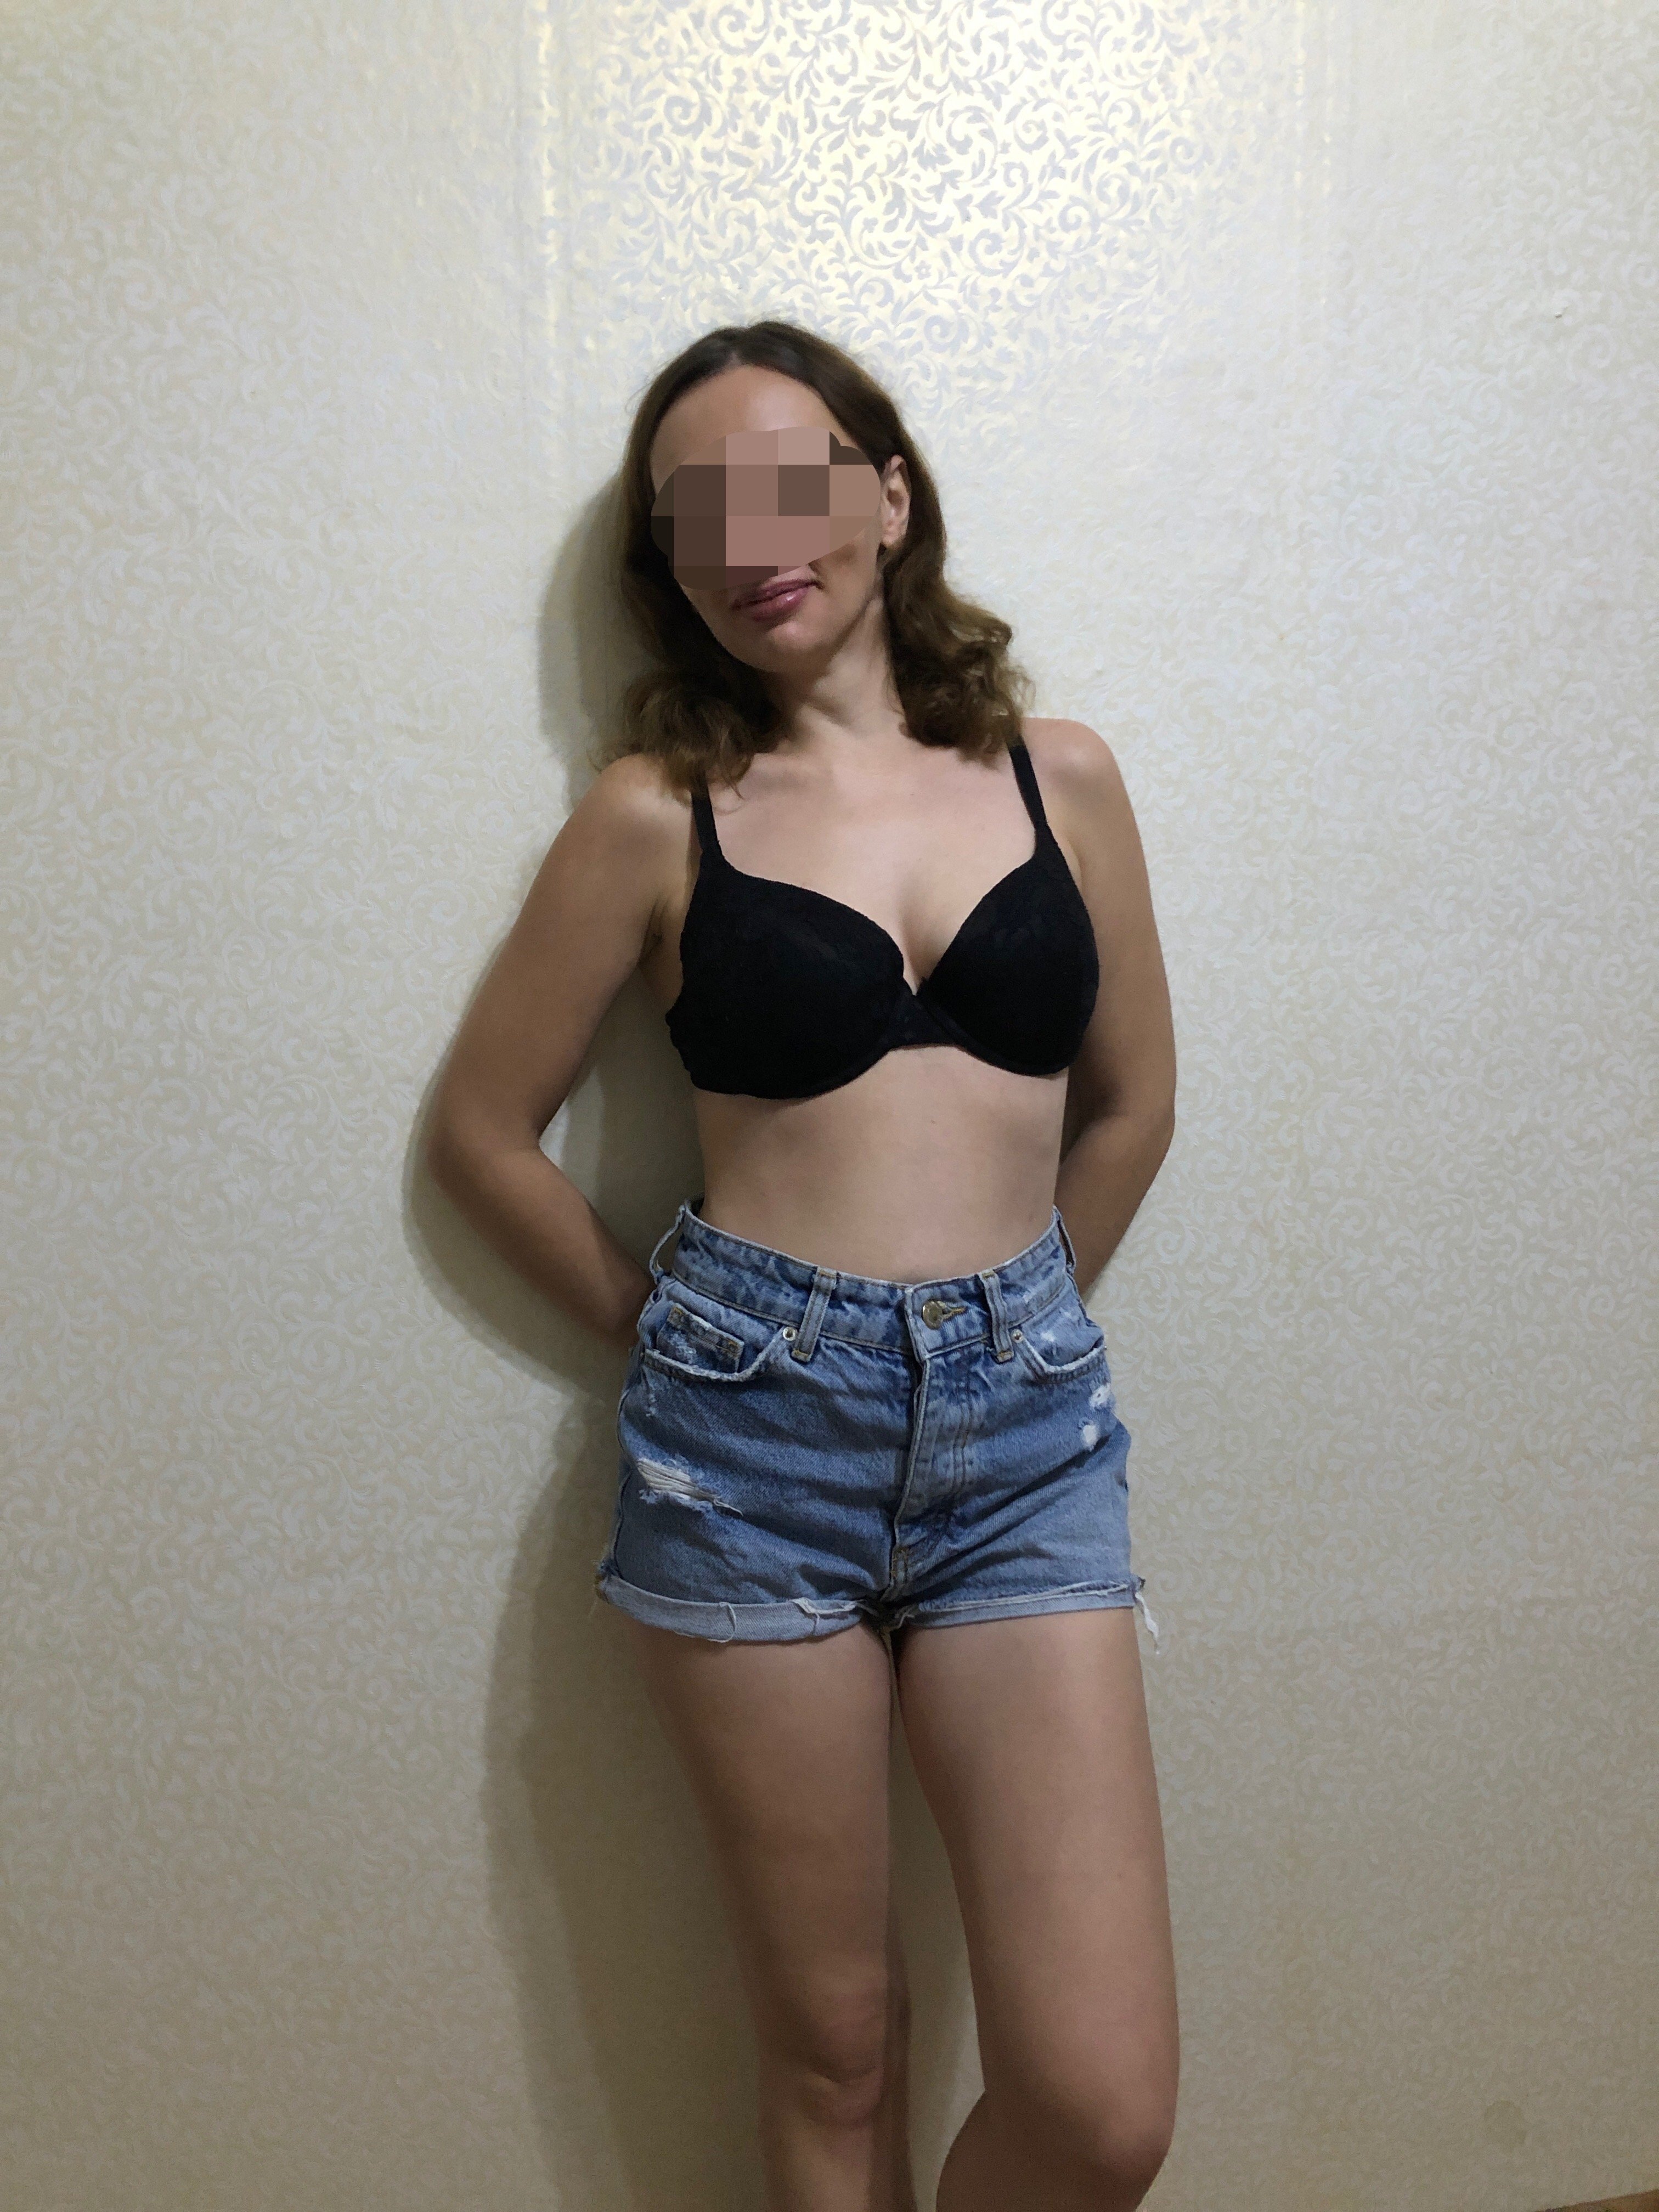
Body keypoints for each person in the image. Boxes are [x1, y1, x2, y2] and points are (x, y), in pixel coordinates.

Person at [427, 319, 1180, 2212]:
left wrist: (1019, 1329)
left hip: (1028, 1451)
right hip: (748, 1458)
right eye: (698, 514)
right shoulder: (651, 814)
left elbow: (1133, 1106)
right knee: (836, 2046)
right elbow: (481, 1134)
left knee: (1100, 2103)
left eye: (788, 483)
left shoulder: (1063, 778)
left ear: (888, 495)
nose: (751, 539)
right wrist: (678, 1335)